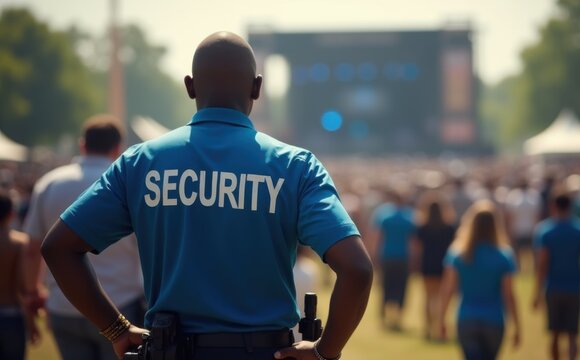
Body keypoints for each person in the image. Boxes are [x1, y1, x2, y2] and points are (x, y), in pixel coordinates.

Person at [41, 31, 373, 360]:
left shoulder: (141, 162)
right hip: (265, 352)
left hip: (169, 351)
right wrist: (324, 352)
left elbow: (58, 247)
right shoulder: (296, 166)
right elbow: (356, 268)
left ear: (190, 86)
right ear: (257, 88)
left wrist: (115, 328)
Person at [23, 115, 146, 360]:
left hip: (63, 304)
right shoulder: (128, 181)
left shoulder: (50, 183)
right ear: (117, 147)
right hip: (120, 303)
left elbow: (32, 247)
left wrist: (32, 292)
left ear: (83, 145)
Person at [439, 200, 521, 360]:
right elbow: (509, 295)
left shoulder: (458, 254)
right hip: (494, 320)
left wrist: (442, 319)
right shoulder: (504, 255)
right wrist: (518, 326)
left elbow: (448, 289)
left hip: (466, 318)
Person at [532, 191, 580, 360]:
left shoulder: (545, 231)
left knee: (554, 334)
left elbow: (542, 265)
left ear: (553, 206)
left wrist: (537, 292)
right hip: (574, 287)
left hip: (553, 287)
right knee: (573, 335)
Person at [372, 188, 416, 331]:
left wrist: (374, 255)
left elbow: (377, 236)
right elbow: (412, 241)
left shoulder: (384, 214)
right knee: (401, 287)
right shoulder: (410, 216)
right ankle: (398, 316)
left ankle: (384, 314)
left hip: (387, 255)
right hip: (403, 257)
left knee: (386, 285)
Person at [412, 195, 455, 340]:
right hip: (443, 265)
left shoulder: (423, 227)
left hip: (428, 264)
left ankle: (428, 328)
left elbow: (417, 247)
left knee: (428, 298)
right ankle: (440, 329)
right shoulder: (449, 228)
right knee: (442, 299)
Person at [0, 191, 36, 360]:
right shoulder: (19, 243)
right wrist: (31, 323)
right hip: (11, 317)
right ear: (11, 214)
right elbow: (24, 288)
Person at [504, 178, 541, 272]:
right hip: (528, 229)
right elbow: (537, 215)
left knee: (520, 254)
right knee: (528, 253)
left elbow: (509, 216)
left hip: (521, 229)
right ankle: (530, 270)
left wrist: (509, 230)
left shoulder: (514, 196)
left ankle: (520, 270)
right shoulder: (534, 196)